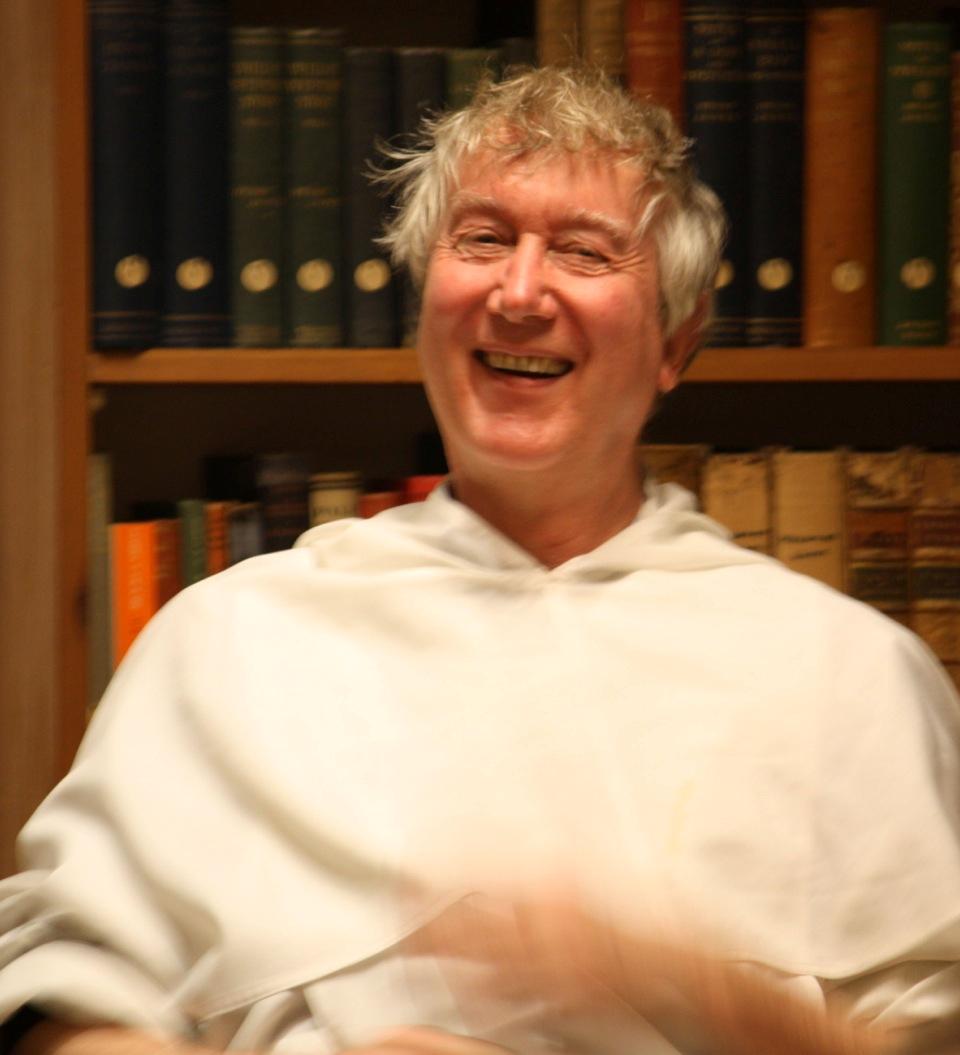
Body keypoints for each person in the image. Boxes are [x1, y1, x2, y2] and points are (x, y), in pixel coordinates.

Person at [2, 65, 960, 1055]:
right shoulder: (227, 640)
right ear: (427, 298)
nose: (520, 292)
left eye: (583, 251)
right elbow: (62, 991)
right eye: (484, 239)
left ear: (677, 342)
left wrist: (681, 982)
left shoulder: (848, 673)